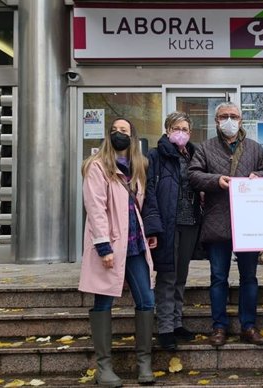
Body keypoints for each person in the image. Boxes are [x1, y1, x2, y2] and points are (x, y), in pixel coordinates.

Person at [188, 102, 263, 347]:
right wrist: (216, 180)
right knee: (218, 277)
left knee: (249, 277)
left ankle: (249, 326)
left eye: (233, 116)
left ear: (241, 120)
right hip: (217, 221)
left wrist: (259, 177)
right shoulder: (205, 148)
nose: (229, 120)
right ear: (216, 121)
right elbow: (193, 175)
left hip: (248, 223)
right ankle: (219, 327)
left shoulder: (254, 148)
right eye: (224, 116)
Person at [78, 118, 155, 387]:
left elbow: (138, 207)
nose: (119, 134)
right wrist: (102, 246)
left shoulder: (139, 167)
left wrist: (149, 235)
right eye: (114, 131)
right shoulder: (97, 167)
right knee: (104, 303)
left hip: (134, 245)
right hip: (109, 246)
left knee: (146, 300)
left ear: (132, 136)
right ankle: (104, 367)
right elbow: (96, 208)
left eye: (124, 131)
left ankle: (144, 363)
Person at [141, 112, 202, 351]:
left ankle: (177, 323)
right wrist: (153, 226)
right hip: (168, 224)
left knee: (181, 275)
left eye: (185, 129)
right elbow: (150, 192)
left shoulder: (194, 155)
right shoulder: (155, 156)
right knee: (167, 275)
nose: (181, 132)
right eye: (177, 128)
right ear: (167, 130)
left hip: (190, 224)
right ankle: (165, 328)